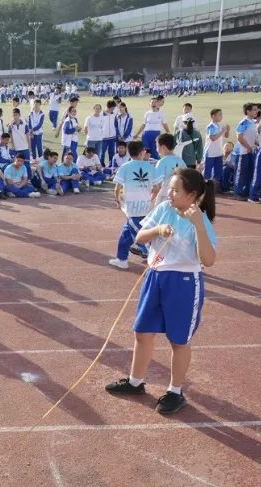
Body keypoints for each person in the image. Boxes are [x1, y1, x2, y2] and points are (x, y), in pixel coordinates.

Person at [105, 168, 217, 415]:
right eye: (170, 188)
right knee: (143, 333)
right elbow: (140, 237)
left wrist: (198, 225)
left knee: (179, 340)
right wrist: (157, 230)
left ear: (192, 195)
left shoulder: (201, 221)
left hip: (183, 283)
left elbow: (209, 260)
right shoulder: (164, 208)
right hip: (155, 277)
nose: (170, 193)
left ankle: (175, 392)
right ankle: (136, 382)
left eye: (176, 190)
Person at [109, 141, 163, 270]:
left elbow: (117, 187)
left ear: (129, 152)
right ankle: (121, 259)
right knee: (126, 235)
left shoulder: (125, 167)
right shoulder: (151, 167)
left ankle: (156, 259)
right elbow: (157, 187)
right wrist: (150, 199)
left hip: (132, 209)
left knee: (140, 236)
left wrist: (118, 200)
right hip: (145, 207)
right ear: (142, 152)